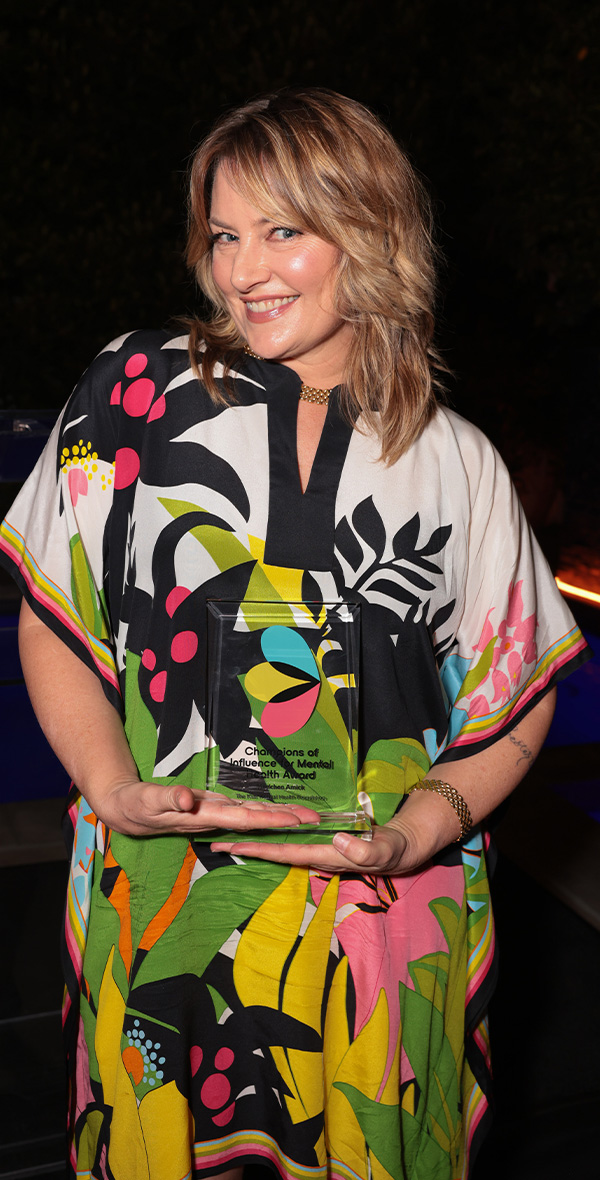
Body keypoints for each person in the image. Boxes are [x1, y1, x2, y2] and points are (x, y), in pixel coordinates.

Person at [0, 88, 588, 1180]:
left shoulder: (455, 460)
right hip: (164, 903)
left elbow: (520, 694)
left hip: (378, 929)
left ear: (369, 230)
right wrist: (112, 781)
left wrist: (417, 831)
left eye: (284, 230)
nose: (243, 269)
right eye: (224, 235)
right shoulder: (135, 392)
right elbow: (54, 615)